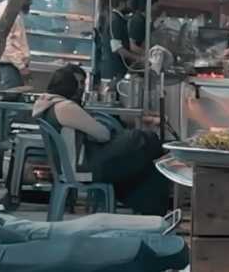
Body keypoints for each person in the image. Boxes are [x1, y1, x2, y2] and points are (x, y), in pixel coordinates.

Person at [32, 64, 171, 215]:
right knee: (140, 138)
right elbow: (103, 134)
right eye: (78, 84)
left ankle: (152, 209)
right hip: (82, 170)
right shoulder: (65, 107)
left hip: (72, 166)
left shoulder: (47, 105)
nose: (81, 89)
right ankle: (163, 149)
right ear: (68, 85)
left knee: (147, 165)